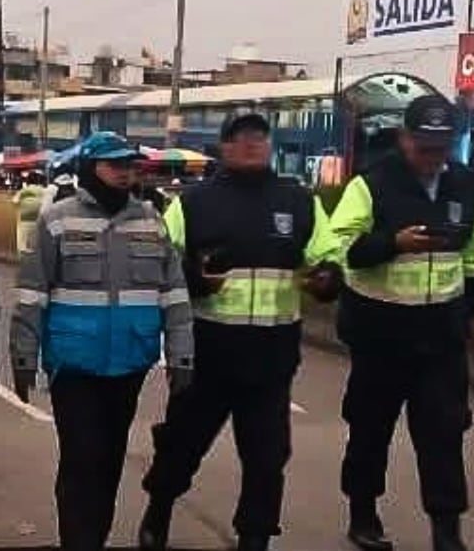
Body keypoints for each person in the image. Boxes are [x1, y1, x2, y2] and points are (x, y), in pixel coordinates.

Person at [139, 113, 342, 551]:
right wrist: (195, 281)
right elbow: (160, 265)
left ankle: (255, 536)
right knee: (182, 445)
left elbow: (328, 257)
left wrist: (327, 278)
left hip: (272, 357)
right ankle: (158, 511)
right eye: (241, 137)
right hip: (207, 353)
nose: (252, 144)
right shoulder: (192, 203)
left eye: (259, 137)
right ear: (224, 147)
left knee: (267, 459)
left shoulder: (299, 202)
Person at [10, 131, 193, 551]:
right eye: (115, 165)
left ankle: (94, 535)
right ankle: (79, 540)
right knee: (83, 457)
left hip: (129, 364)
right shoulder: (57, 219)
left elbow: (174, 295)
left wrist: (182, 356)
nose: (126, 173)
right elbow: (31, 294)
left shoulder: (151, 221)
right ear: (91, 169)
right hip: (74, 365)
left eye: (130, 165)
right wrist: (23, 355)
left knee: (109, 461)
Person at [327, 95, 474, 551]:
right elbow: (339, 247)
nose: (432, 157)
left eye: (441, 146)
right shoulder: (372, 184)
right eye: (423, 146)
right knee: (370, 428)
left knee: (443, 433)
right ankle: (363, 514)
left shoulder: (466, 184)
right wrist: (392, 244)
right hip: (380, 332)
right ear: (404, 139)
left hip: (440, 335)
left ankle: (446, 529)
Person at [12, 170, 47, 256]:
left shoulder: (24, 190)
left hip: (24, 219)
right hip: (39, 219)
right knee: (36, 245)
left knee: (23, 245)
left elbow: (15, 201)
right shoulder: (43, 190)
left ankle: (24, 256)